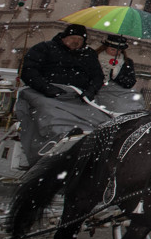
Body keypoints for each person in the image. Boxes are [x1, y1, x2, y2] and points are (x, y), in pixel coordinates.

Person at [16, 24, 106, 161]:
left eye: (79, 39)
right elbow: (28, 70)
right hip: (44, 93)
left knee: (98, 116)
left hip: (77, 96)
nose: (76, 42)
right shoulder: (45, 48)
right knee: (48, 111)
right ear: (64, 38)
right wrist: (46, 87)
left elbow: (97, 76)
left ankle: (88, 137)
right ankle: (56, 141)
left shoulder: (89, 54)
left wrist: (90, 91)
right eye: (73, 38)